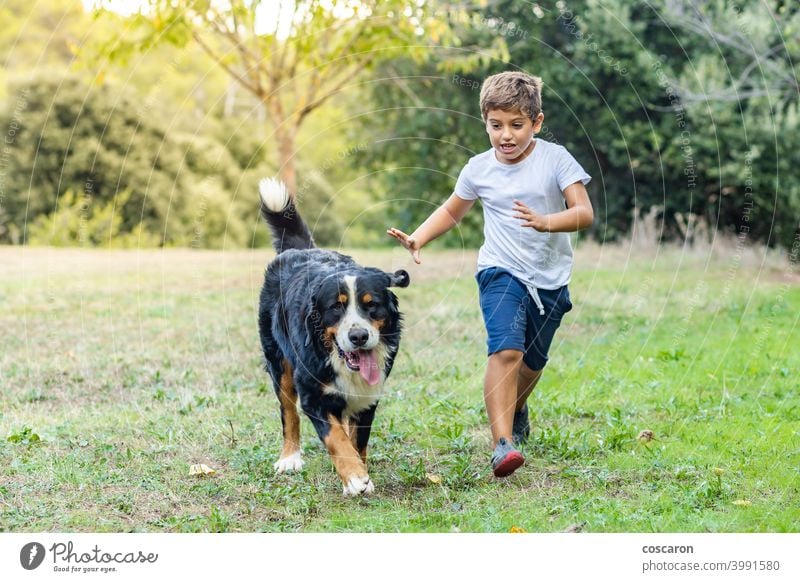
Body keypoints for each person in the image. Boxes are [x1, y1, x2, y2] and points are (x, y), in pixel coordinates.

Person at [387, 71, 594, 477]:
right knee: (507, 352)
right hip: (500, 270)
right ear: (485, 122)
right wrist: (419, 238)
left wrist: (546, 222)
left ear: (536, 122)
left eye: (517, 125)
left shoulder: (556, 159)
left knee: (532, 364)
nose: (506, 135)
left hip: (550, 278)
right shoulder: (478, 168)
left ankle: (516, 407)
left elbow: (583, 212)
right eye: (496, 125)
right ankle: (503, 444)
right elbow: (452, 210)